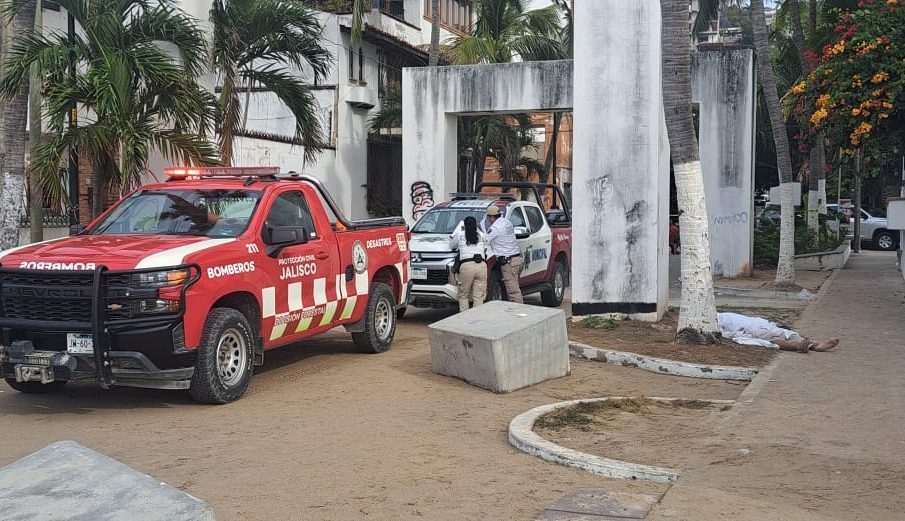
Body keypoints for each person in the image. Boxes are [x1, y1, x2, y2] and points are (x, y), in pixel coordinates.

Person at [717, 312, 839, 353]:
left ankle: (814, 345)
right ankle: (803, 345)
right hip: (744, 331)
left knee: (778, 334)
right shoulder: (712, 322)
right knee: (771, 339)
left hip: (752, 325)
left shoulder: (719, 316)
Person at [483, 205, 523, 304]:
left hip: (508, 263)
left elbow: (484, 240)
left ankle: (519, 315)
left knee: (513, 293)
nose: (488, 219)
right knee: (514, 289)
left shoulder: (495, 227)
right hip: (516, 260)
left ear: (492, 217)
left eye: (488, 217)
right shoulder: (506, 222)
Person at [449, 216, 487, 312]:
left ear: (464, 225)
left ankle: (464, 318)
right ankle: (477, 319)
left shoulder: (460, 234)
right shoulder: (482, 235)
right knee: (478, 296)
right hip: (482, 266)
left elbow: (451, 245)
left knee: (463, 295)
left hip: (467, 266)